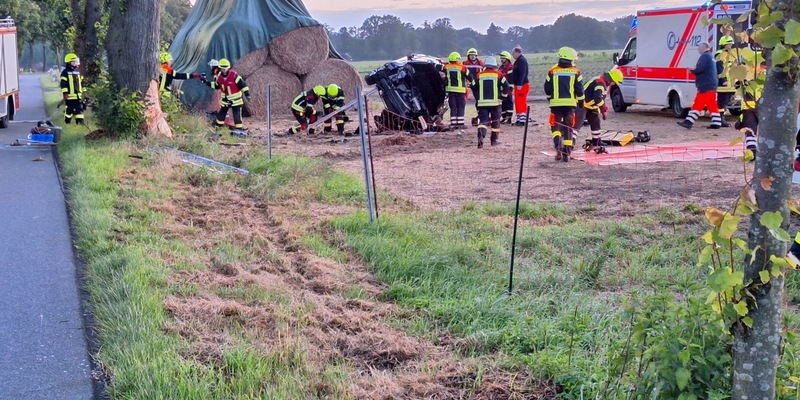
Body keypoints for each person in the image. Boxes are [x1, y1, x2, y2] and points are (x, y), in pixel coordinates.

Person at [544, 47, 584, 162]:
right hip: (570, 105)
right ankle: (566, 153)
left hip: (555, 104)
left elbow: (547, 88)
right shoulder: (576, 72)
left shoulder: (552, 71)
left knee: (555, 125)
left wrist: (549, 99)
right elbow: (580, 90)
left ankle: (558, 145)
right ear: (571, 60)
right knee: (568, 127)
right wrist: (581, 102)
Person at [678, 42, 722, 129]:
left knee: (699, 104)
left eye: (699, 47)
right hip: (710, 84)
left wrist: (692, 70)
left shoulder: (705, 56)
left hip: (705, 85)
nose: (698, 49)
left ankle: (689, 121)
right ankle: (716, 123)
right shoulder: (710, 56)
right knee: (710, 104)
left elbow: (700, 69)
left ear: (704, 47)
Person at [576, 69, 624, 149]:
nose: (614, 83)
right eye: (615, 81)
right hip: (582, 104)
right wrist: (603, 109)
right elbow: (597, 98)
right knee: (577, 123)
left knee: (595, 122)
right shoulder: (600, 82)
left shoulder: (604, 83)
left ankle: (597, 142)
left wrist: (602, 110)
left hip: (591, 105)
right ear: (611, 79)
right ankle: (569, 143)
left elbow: (600, 98)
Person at [472, 56, 509, 148]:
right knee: (495, 122)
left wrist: (477, 97)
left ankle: (481, 138)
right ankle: (494, 140)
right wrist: (503, 97)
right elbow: (506, 86)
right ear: (494, 65)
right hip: (495, 103)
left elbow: (473, 86)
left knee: (483, 122)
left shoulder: (479, 75)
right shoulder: (499, 74)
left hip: (482, 103)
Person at [209, 58, 250, 132]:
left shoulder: (234, 76)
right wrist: (206, 82)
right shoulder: (219, 77)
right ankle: (218, 126)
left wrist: (247, 94)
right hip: (225, 100)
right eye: (222, 68)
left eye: (225, 68)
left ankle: (239, 129)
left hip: (236, 100)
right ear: (220, 68)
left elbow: (243, 85)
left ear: (228, 67)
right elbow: (216, 86)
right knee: (222, 114)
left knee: (236, 114)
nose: (224, 70)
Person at [436, 52, 472, 129]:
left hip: (451, 91)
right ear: (457, 59)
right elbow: (470, 77)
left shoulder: (446, 67)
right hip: (461, 91)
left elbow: (437, 67)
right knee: (460, 106)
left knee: (453, 106)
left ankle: (453, 123)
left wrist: (440, 63)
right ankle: (460, 124)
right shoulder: (462, 67)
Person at [715, 36, 736, 127]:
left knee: (725, 103)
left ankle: (721, 120)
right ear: (724, 44)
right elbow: (719, 69)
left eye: (731, 43)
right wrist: (723, 80)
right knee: (721, 103)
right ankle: (720, 120)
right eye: (729, 43)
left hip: (729, 84)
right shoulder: (720, 55)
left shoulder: (730, 55)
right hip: (723, 84)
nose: (731, 45)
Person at [60, 53, 85, 125]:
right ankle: (67, 121)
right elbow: (63, 84)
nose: (76, 63)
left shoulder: (78, 71)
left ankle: (80, 123)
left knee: (79, 109)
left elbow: (82, 82)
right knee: (70, 109)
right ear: (69, 62)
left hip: (78, 96)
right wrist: (65, 93)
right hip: (69, 96)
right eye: (74, 62)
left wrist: (85, 92)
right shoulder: (65, 72)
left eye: (76, 61)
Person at [509, 46, 530, 126]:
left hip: (522, 85)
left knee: (521, 102)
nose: (512, 55)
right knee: (518, 102)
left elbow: (523, 73)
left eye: (513, 53)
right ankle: (519, 119)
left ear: (518, 52)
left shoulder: (522, 61)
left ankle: (522, 120)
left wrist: (520, 83)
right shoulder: (518, 61)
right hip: (518, 85)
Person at [497, 51, 514, 124]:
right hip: (501, 89)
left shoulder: (510, 67)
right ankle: (504, 117)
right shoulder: (501, 68)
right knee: (503, 103)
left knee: (509, 103)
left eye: (503, 58)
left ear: (507, 59)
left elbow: (511, 79)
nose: (501, 60)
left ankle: (509, 118)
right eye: (501, 58)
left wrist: (510, 89)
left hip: (508, 89)